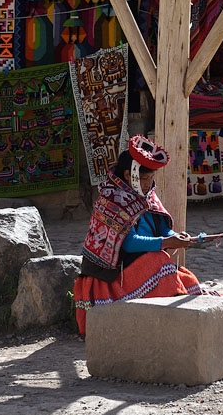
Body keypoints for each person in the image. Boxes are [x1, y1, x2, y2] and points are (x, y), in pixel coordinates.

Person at [73, 135, 203, 336]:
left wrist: (176, 236)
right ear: (128, 174)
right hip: (113, 277)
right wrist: (166, 242)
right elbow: (129, 244)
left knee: (188, 282)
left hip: (141, 267)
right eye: (143, 178)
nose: (147, 183)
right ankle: (176, 328)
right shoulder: (111, 200)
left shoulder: (146, 194)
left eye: (150, 178)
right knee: (162, 264)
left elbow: (161, 228)